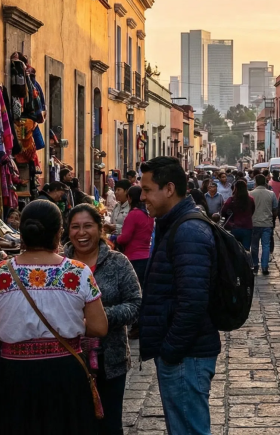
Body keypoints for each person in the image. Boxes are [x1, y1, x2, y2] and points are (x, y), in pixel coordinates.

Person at [0, 200, 109, 434]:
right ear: (59, 233)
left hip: (15, 375)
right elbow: (99, 327)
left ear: (23, 233)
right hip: (65, 372)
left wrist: (14, 326)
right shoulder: (78, 272)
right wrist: (69, 323)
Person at [138, 156, 220, 435]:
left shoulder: (188, 232)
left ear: (169, 189)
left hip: (187, 355)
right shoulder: (173, 225)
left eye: (147, 190)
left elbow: (193, 302)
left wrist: (170, 351)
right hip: (183, 354)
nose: (142, 196)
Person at [64, 204, 142, 435]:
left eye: (88, 226)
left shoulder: (118, 262)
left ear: (100, 229)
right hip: (68, 361)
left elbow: (135, 303)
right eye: (75, 227)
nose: (81, 232)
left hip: (110, 361)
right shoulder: (59, 265)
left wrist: (99, 318)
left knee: (109, 426)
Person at [116, 185, 153, 288]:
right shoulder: (149, 214)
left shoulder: (133, 214)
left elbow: (124, 238)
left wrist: (115, 238)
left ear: (130, 198)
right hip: (147, 257)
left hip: (133, 258)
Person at [249, 174, 279, 275]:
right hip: (267, 223)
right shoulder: (271, 194)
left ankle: (255, 265)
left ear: (256, 182)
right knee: (266, 246)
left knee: (254, 246)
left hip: (254, 223)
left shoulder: (250, 193)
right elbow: (275, 208)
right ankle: (265, 266)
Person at [221, 180, 255, 254]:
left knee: (235, 250)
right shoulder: (251, 199)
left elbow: (223, 211)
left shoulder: (231, 200)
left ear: (235, 188)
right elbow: (252, 211)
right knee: (246, 250)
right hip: (247, 227)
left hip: (234, 227)